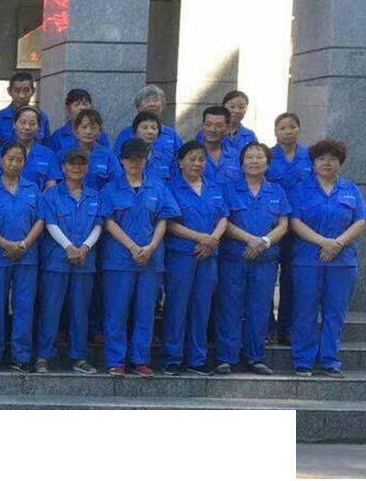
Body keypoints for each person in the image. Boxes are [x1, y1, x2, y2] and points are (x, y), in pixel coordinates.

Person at [288, 140, 366, 378]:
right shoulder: (301, 189)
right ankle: (303, 360)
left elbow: (361, 220)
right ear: (313, 163)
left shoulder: (350, 189)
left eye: (333, 159)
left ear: (340, 163)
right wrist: (324, 242)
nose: (327, 163)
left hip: (342, 262)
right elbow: (295, 222)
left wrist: (337, 244)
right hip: (308, 260)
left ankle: (329, 360)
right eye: (321, 159)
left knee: (335, 311)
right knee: (305, 309)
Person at [100, 140, 180, 377]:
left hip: (150, 260)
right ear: (122, 160)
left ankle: (140, 359)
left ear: (146, 160)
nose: (135, 162)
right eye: (130, 158)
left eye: (139, 158)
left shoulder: (158, 188)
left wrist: (152, 246)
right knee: (117, 311)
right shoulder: (110, 189)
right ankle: (116, 360)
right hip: (119, 260)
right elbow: (108, 222)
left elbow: (164, 219)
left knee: (145, 311)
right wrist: (132, 247)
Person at [220, 142, 290, 375]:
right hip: (234, 258)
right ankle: (226, 357)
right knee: (229, 307)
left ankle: (255, 357)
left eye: (259, 157)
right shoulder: (228, 189)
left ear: (267, 163)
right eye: (249, 157)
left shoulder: (276, 191)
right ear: (241, 163)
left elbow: (283, 224)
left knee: (259, 309)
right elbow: (222, 221)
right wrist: (249, 239)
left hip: (265, 261)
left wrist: (264, 243)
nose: (254, 161)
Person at [163, 142, 229, 376]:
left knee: (202, 307)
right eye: (192, 159)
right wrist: (200, 238)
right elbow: (169, 223)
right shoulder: (171, 188)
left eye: (201, 159)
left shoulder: (214, 187)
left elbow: (223, 217)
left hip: (209, 256)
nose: (197, 163)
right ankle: (172, 357)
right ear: (180, 162)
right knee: (177, 306)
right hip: (181, 255)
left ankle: (197, 359)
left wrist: (213, 239)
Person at [37, 149, 103, 374]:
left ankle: (79, 357)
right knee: (50, 309)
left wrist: (85, 247)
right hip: (57, 260)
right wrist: (68, 247)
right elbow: (49, 222)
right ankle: (43, 356)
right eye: (72, 164)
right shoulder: (51, 194)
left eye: (81, 164)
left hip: (84, 261)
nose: (77, 168)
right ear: (64, 168)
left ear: (87, 168)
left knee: (80, 311)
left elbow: (98, 224)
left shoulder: (94, 195)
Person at [0, 143, 44, 372]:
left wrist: (24, 244)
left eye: (19, 159)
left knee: (24, 306)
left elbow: (40, 220)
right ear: (1, 161)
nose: (14, 163)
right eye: (10, 159)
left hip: (27, 256)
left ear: (24, 163)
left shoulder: (32, 189)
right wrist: (5, 244)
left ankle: (21, 356)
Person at [268, 112, 310, 343]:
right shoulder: (267, 156)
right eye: (282, 128)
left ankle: (286, 327)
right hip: (271, 224)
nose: (288, 131)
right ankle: (267, 326)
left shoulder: (309, 157)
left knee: (291, 278)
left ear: (299, 129)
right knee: (265, 277)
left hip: (299, 226)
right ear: (275, 132)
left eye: (292, 127)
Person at [0, 106, 55, 188]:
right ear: (14, 124)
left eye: (32, 124)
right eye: (22, 122)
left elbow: (51, 187)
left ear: (39, 127)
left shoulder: (48, 154)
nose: (27, 127)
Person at [50, 109, 116, 191]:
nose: (88, 132)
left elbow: (116, 183)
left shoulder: (108, 156)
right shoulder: (63, 154)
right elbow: (53, 183)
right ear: (75, 130)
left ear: (100, 131)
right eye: (84, 127)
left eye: (93, 128)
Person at [0, 72, 50, 153]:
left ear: (33, 91)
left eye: (26, 91)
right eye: (17, 91)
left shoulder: (42, 118)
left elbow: (46, 147)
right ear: (9, 91)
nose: (22, 96)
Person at [114, 84, 182, 154]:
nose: (152, 104)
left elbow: (181, 158)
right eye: (147, 101)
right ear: (138, 107)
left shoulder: (172, 135)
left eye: (155, 100)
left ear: (162, 106)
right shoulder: (126, 134)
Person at [45, 89, 110, 154]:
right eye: (77, 104)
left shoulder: (100, 135)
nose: (82, 108)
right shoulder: (58, 136)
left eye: (85, 104)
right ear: (68, 108)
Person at [129, 111, 175, 183]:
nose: (150, 132)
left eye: (154, 128)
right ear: (134, 131)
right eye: (144, 128)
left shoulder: (164, 158)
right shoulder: (127, 158)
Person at [198, 106, 240, 182]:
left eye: (219, 126)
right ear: (202, 126)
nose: (212, 130)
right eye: (208, 124)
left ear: (228, 128)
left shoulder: (236, 156)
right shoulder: (190, 156)